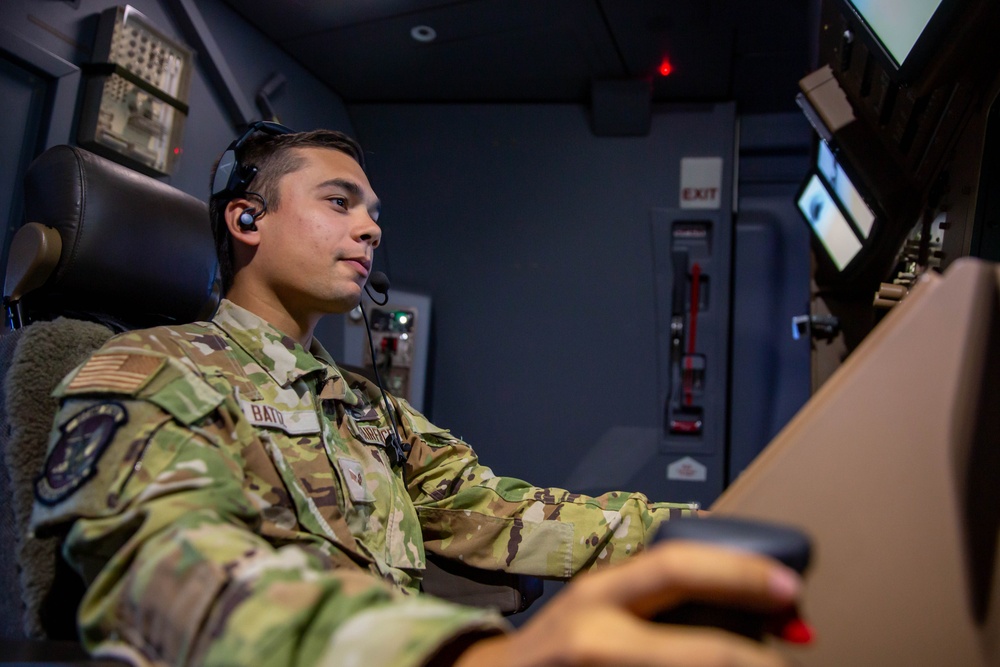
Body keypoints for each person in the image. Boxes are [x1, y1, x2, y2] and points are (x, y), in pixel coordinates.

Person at [30, 123, 804, 667]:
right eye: (340, 203)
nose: (370, 229)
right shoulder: (150, 370)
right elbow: (164, 570)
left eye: (374, 214)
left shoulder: (367, 407)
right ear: (247, 218)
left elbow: (507, 513)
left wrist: (702, 533)